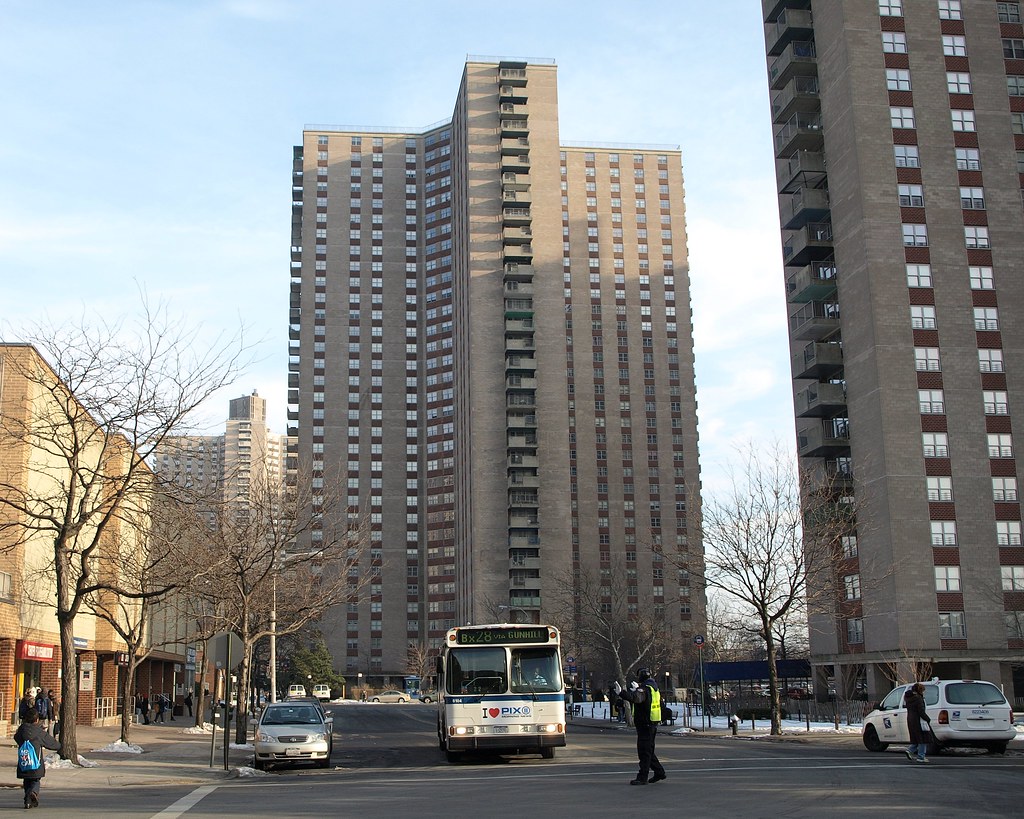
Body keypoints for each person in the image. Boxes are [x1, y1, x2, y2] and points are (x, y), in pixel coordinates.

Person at [613, 667, 667, 786]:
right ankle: (659, 772)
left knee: (644, 751)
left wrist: (621, 693)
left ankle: (642, 777)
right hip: (651, 723)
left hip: (645, 724)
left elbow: (636, 698)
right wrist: (636, 690)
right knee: (648, 751)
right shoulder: (653, 687)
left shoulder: (645, 688)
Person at [14, 709, 61, 809]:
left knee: (26, 781)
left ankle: (27, 801)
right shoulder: (38, 731)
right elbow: (51, 743)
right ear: (36, 720)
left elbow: (16, 738)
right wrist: (59, 746)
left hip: (24, 760)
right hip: (36, 760)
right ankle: (33, 793)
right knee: (35, 780)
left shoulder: (22, 730)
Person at [904, 682, 932, 764]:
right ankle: (921, 756)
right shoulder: (919, 699)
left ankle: (910, 750)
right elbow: (921, 711)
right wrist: (927, 719)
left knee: (916, 739)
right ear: (920, 691)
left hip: (911, 720)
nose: (923, 692)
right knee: (923, 739)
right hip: (919, 721)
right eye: (923, 691)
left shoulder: (909, 699)